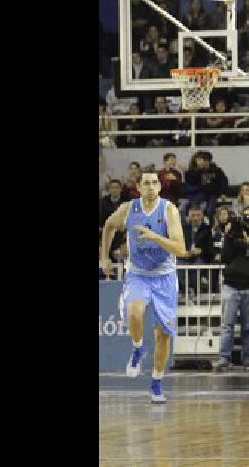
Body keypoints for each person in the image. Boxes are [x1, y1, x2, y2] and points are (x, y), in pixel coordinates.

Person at [100, 167, 187, 404]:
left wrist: (154, 236)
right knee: (135, 312)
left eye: (154, 183)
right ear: (138, 188)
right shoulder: (129, 209)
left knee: (163, 336)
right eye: (145, 183)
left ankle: (156, 383)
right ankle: (138, 349)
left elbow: (181, 249)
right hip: (138, 274)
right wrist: (104, 257)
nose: (150, 187)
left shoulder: (169, 210)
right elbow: (108, 226)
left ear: (160, 187)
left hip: (165, 277)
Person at [213, 207, 249, 371]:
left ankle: (248, 358)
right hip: (231, 285)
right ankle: (224, 358)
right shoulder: (233, 235)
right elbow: (225, 257)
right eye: (247, 217)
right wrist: (228, 236)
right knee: (227, 325)